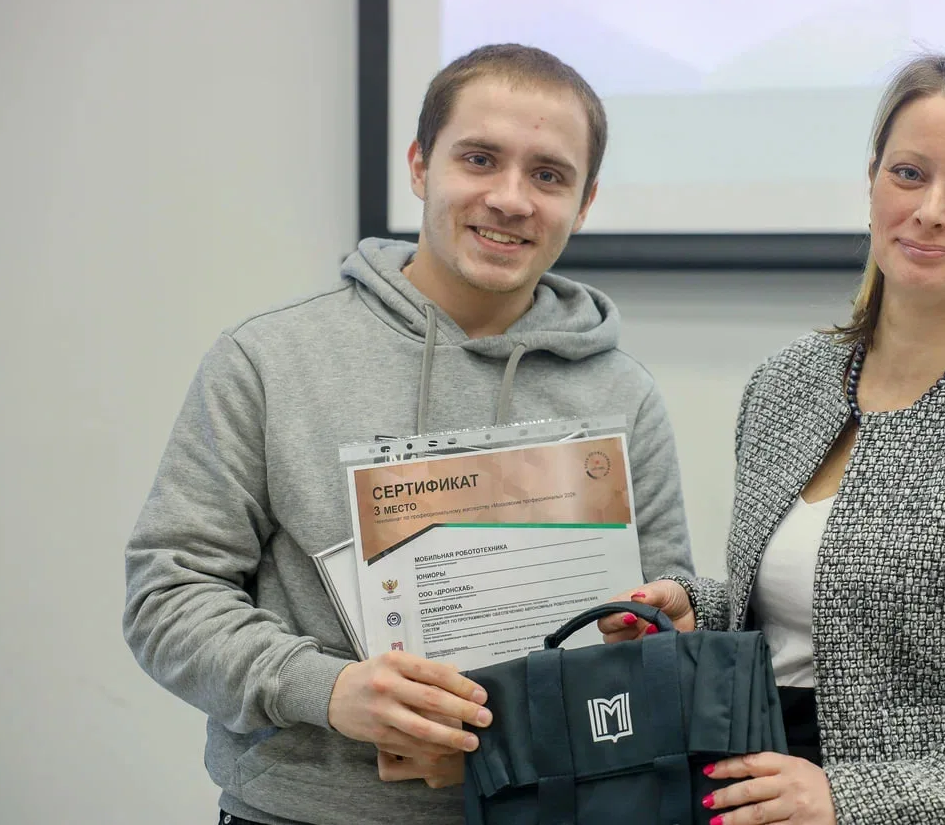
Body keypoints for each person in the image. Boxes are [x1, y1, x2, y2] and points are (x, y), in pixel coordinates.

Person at [123, 43, 694, 825]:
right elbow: (168, 597)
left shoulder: (624, 395)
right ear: (421, 166)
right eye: (479, 159)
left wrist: (654, 624)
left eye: (548, 175)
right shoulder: (268, 361)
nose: (511, 198)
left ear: (584, 202)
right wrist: (326, 690)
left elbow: (661, 633)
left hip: (549, 811)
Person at [604, 50, 945, 824]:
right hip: (742, 797)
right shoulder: (785, 385)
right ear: (872, 182)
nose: (930, 209)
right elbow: (827, 613)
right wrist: (702, 607)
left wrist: (852, 800)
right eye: (909, 173)